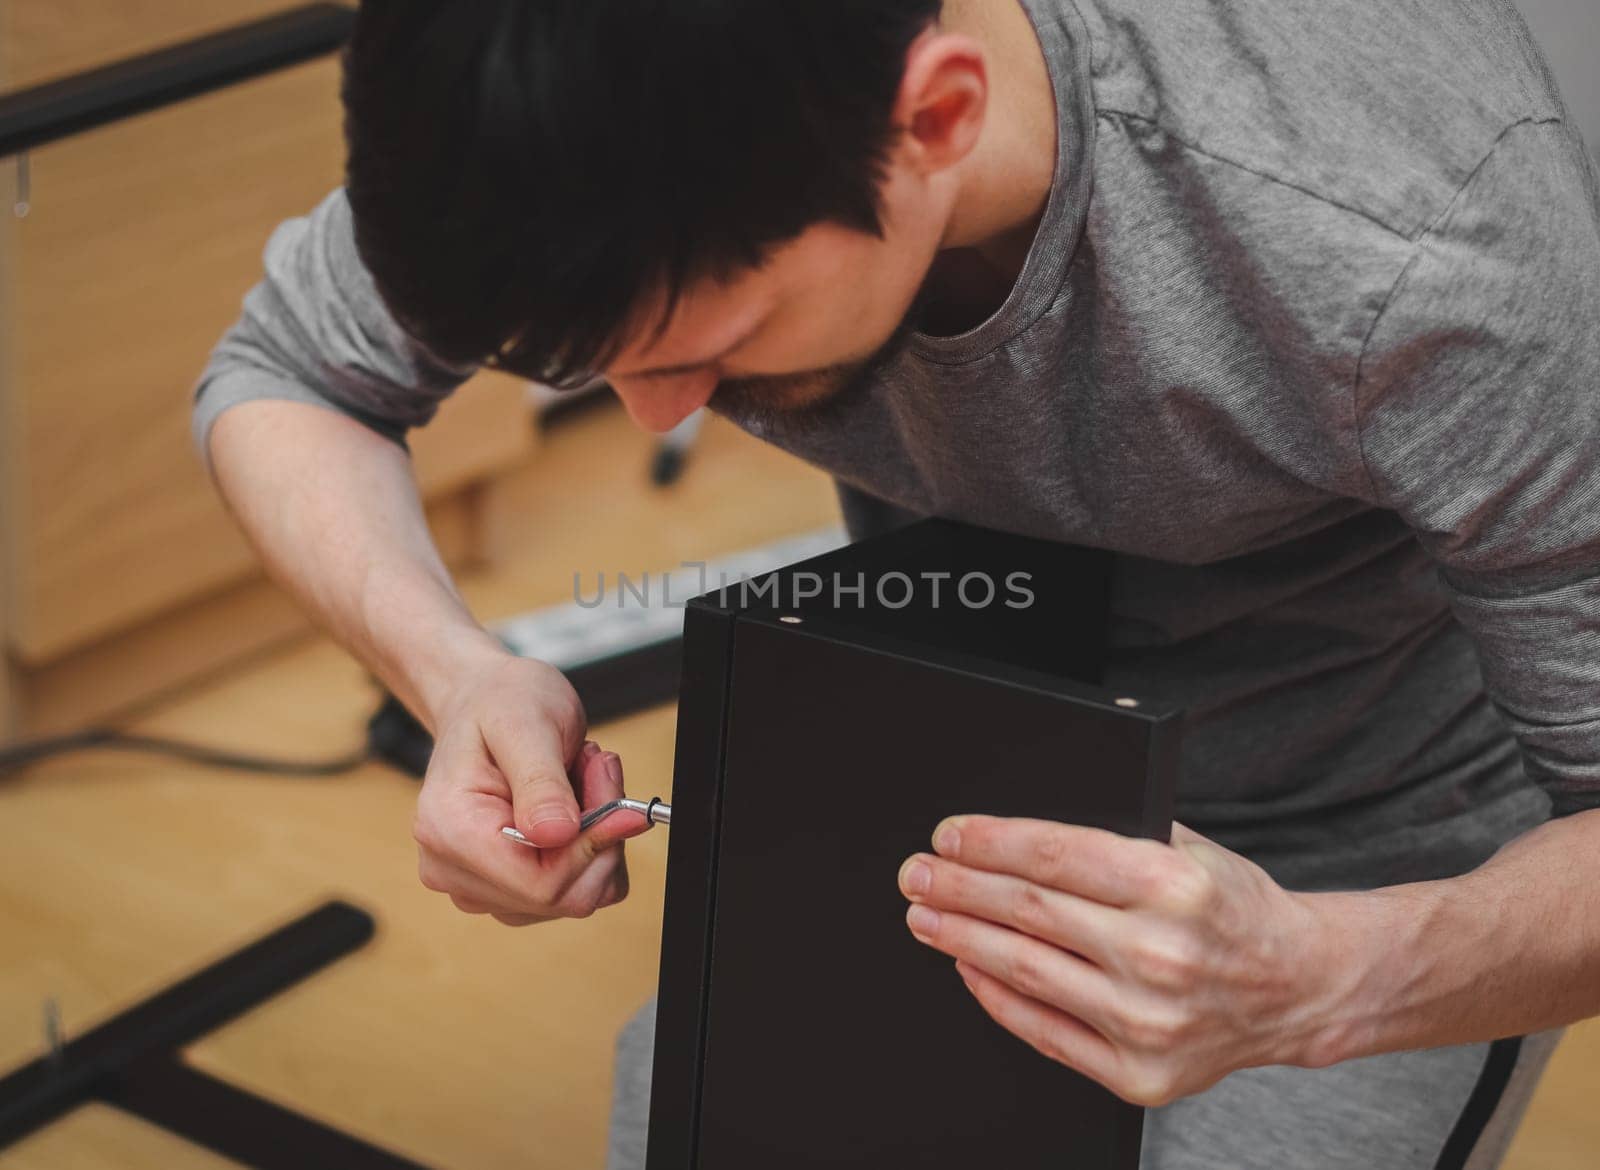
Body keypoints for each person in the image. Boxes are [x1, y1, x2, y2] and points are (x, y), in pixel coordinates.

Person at [192, 0, 1600, 1166]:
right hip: (927, 775)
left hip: (1361, 854)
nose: (656, 416)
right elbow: (285, 378)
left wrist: (1318, 978)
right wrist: (458, 673)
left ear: (936, 116)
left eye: (711, 342)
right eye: (587, 363)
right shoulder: (602, 123)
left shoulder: (1418, 238)